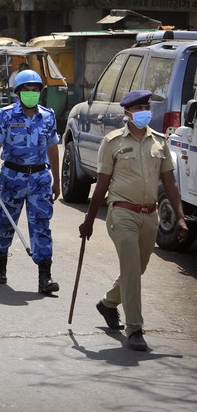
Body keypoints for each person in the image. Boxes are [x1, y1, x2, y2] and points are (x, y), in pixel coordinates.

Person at [78, 90, 189, 351]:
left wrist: (181, 217)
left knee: (137, 269)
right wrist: (89, 220)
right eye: (138, 107)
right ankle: (135, 329)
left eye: (146, 107)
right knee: (131, 269)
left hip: (150, 215)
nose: (143, 112)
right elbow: (102, 184)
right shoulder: (112, 142)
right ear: (127, 112)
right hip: (121, 213)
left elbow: (170, 182)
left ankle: (107, 303)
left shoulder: (160, 142)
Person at [0, 69, 61, 294]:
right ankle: (0, 264)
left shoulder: (48, 116)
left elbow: (53, 148)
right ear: (18, 93)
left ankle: (45, 276)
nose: (31, 93)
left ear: (40, 91)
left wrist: (57, 180)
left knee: (41, 226)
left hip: (39, 178)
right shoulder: (5, 115)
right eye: (26, 90)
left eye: (35, 90)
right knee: (6, 224)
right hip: (11, 178)